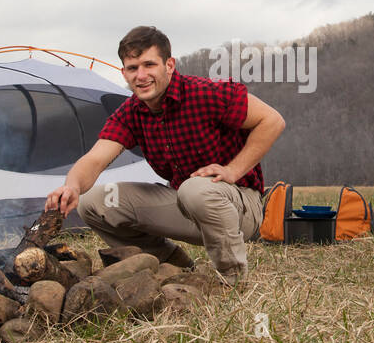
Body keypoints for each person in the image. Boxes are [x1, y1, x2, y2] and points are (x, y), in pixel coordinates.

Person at [45, 25, 285, 285]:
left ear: (169, 65)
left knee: (195, 190)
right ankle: (168, 264)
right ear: (123, 72)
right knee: (93, 202)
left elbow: (272, 120)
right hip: (185, 204)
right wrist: (72, 186)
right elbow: (95, 159)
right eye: (132, 68)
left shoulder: (206, 93)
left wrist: (234, 170)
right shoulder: (131, 113)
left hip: (238, 207)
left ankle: (232, 280)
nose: (141, 75)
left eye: (149, 65)